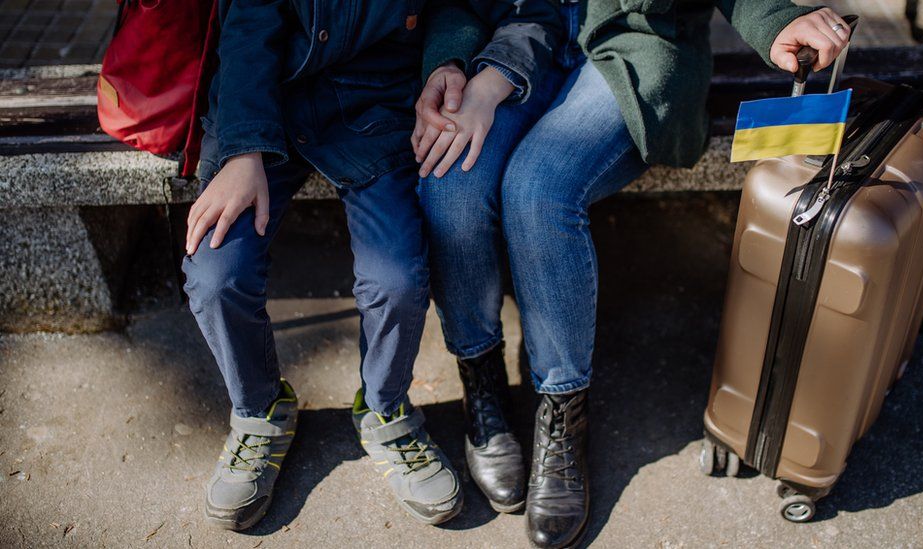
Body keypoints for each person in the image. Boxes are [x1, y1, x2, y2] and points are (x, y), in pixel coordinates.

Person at [414, 1, 852, 547]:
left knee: (538, 190)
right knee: (450, 183)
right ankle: (482, 386)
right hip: (516, 40)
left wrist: (775, 20)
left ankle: (562, 414)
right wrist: (451, 64)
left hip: (634, 47)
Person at [180, 0, 514, 531]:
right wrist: (242, 152)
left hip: (375, 106)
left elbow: (456, 6)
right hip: (268, 100)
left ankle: (385, 409)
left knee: (398, 278)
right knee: (216, 274)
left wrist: (445, 64)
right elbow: (246, 29)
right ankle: (259, 410)